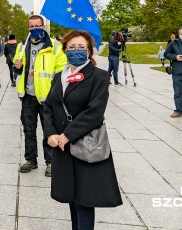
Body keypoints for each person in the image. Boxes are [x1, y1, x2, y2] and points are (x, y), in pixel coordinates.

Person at [44, 29, 122, 230]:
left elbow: (94, 113)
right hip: (62, 146)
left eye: (81, 47)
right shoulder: (59, 76)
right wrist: (51, 133)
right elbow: (49, 107)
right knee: (71, 196)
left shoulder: (99, 76)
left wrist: (66, 135)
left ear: (89, 51)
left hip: (85, 145)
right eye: (71, 47)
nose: (76, 51)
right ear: (65, 50)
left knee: (85, 201)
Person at [14, 15, 67, 176]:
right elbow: (17, 69)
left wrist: (56, 94)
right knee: (29, 130)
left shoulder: (56, 46)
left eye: (37, 26)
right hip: (28, 97)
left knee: (49, 130)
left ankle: (51, 162)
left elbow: (61, 71)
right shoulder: (22, 45)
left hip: (48, 98)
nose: (34, 29)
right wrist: (17, 66)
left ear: (44, 27)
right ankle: (31, 160)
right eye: (31, 26)